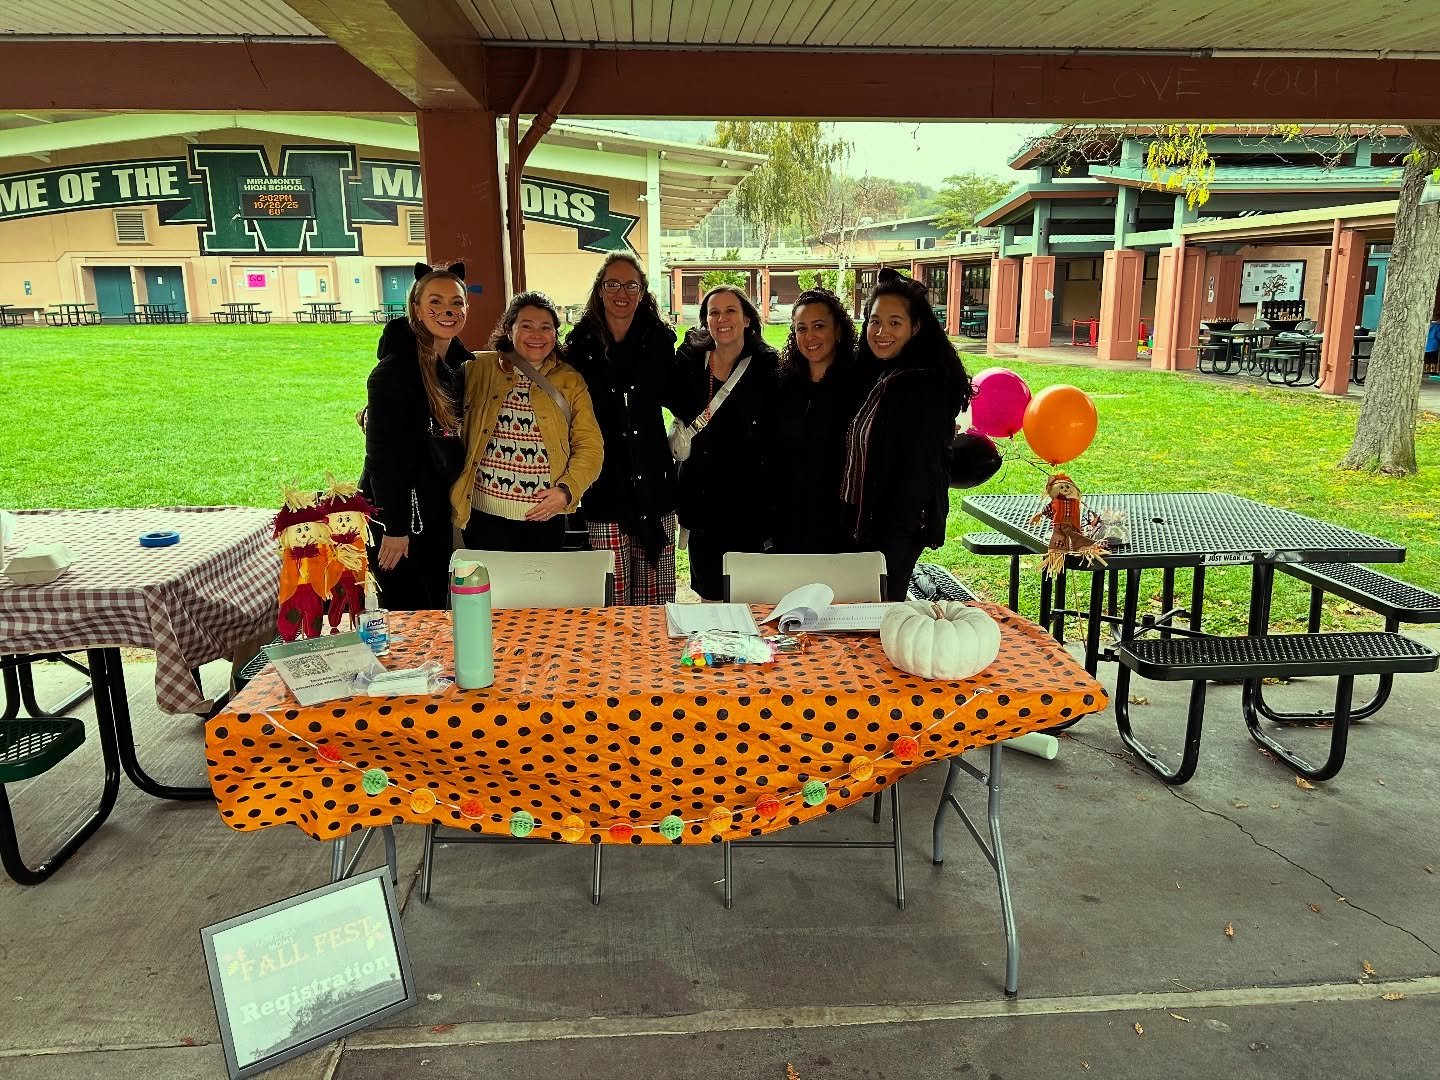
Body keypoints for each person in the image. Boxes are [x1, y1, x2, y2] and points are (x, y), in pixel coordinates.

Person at [841, 268, 973, 602]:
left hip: (893, 530)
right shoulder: (883, 374)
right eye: (874, 321)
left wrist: (885, 541)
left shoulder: (924, 385)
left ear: (915, 327)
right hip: (867, 524)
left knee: (879, 618)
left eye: (894, 322)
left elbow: (920, 472)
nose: (881, 331)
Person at [564, 254, 682, 604]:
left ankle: (656, 660)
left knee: (655, 604)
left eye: (631, 285)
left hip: (654, 484)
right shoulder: (579, 346)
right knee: (611, 602)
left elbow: (680, 398)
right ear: (599, 291)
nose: (621, 293)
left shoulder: (660, 342)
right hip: (604, 485)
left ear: (643, 292)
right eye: (612, 284)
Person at [450, 291, 604, 552]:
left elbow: (590, 446)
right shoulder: (477, 368)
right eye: (526, 326)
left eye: (546, 327)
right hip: (484, 516)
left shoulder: (570, 381)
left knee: (540, 591)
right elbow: (432, 394)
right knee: (489, 590)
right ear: (509, 330)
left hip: (544, 518)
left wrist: (567, 491)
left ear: (555, 334)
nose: (537, 335)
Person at [359, 263, 468, 610]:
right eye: (435, 301)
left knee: (437, 607)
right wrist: (394, 528)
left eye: (456, 302)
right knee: (410, 614)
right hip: (402, 518)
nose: (447, 310)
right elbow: (383, 460)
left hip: (435, 513)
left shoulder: (457, 368)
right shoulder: (392, 374)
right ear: (417, 310)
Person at [672, 284, 780, 600]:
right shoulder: (691, 362)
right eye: (713, 312)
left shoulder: (767, 366)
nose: (722, 318)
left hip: (750, 504)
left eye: (730, 310)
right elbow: (670, 396)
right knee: (710, 596)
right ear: (705, 320)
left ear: (747, 318)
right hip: (703, 503)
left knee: (749, 597)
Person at [771, 287, 865, 554]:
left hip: (841, 523)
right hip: (788, 520)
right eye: (801, 328)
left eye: (818, 326)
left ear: (838, 331)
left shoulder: (859, 386)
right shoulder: (782, 384)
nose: (809, 336)